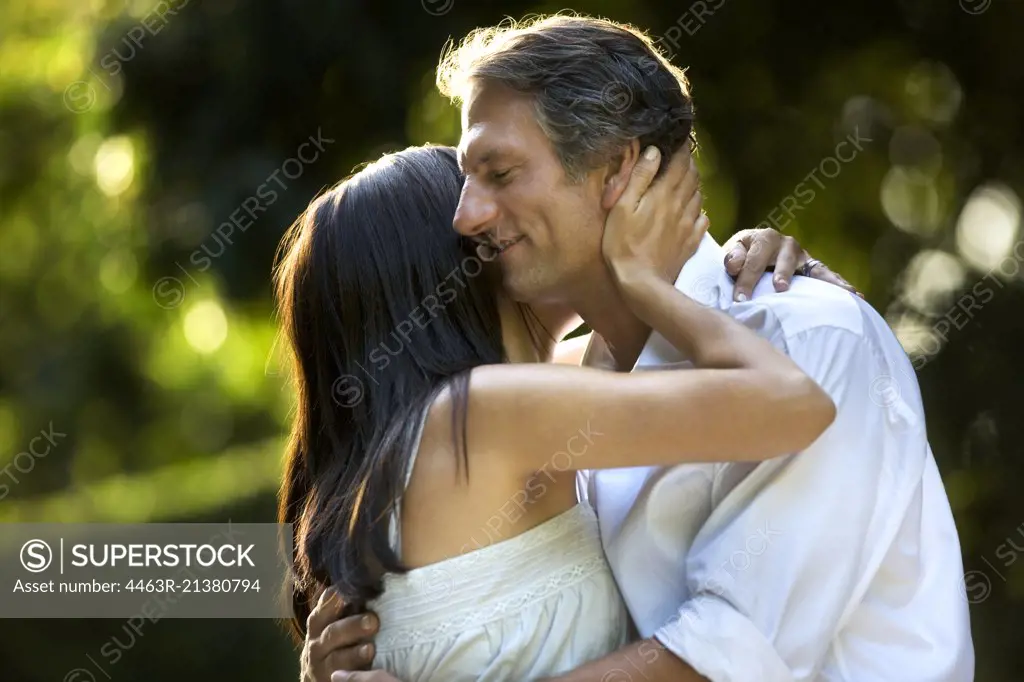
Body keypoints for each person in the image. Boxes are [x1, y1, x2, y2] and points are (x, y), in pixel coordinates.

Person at [310, 14, 973, 682]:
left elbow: (728, 657)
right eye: (465, 181)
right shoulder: (569, 386)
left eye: (501, 173)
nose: (467, 216)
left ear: (618, 170)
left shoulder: (805, 337)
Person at [275, 139, 845, 681]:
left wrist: (751, 275)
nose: (515, 216)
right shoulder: (482, 413)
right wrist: (648, 285)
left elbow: (621, 355)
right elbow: (795, 405)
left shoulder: (461, 425)